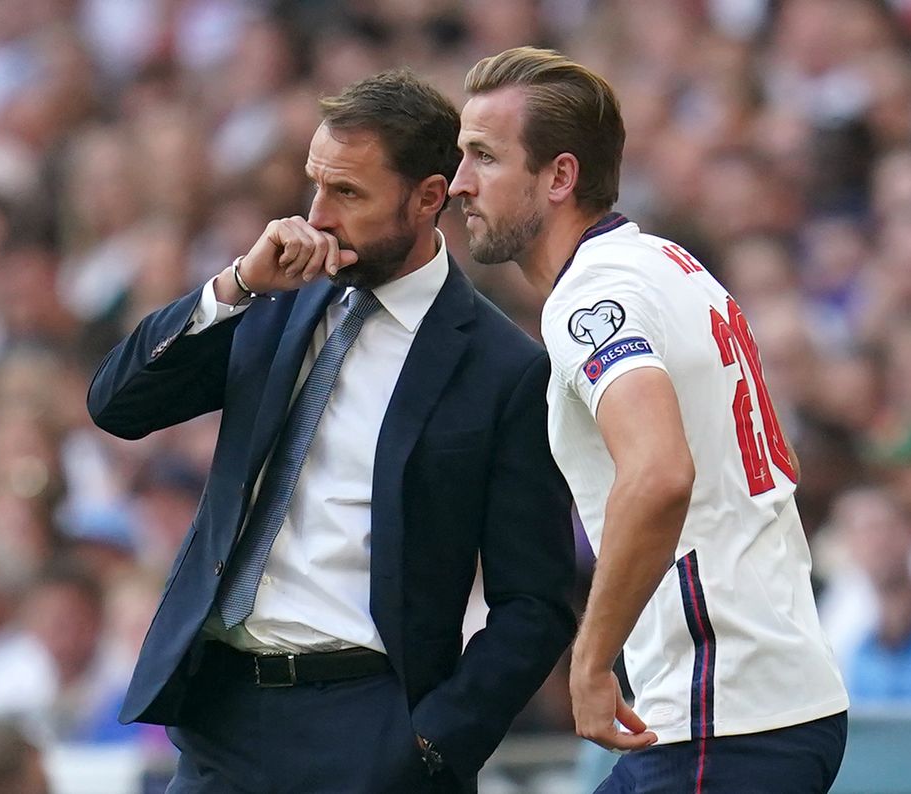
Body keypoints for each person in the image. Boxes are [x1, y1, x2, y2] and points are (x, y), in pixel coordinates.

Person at [87, 69, 576, 793]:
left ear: (428, 198)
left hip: (368, 725)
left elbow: (534, 603)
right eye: (315, 183)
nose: (317, 214)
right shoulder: (276, 294)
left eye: (348, 193)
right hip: (222, 714)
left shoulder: (503, 368)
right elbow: (117, 404)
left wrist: (434, 743)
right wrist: (234, 287)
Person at [450, 47, 849, 793]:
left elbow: (662, 472)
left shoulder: (588, 299)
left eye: (484, 157)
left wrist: (592, 661)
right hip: (767, 696)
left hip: (720, 716)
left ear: (560, 176)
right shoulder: (673, 265)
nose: (460, 183)